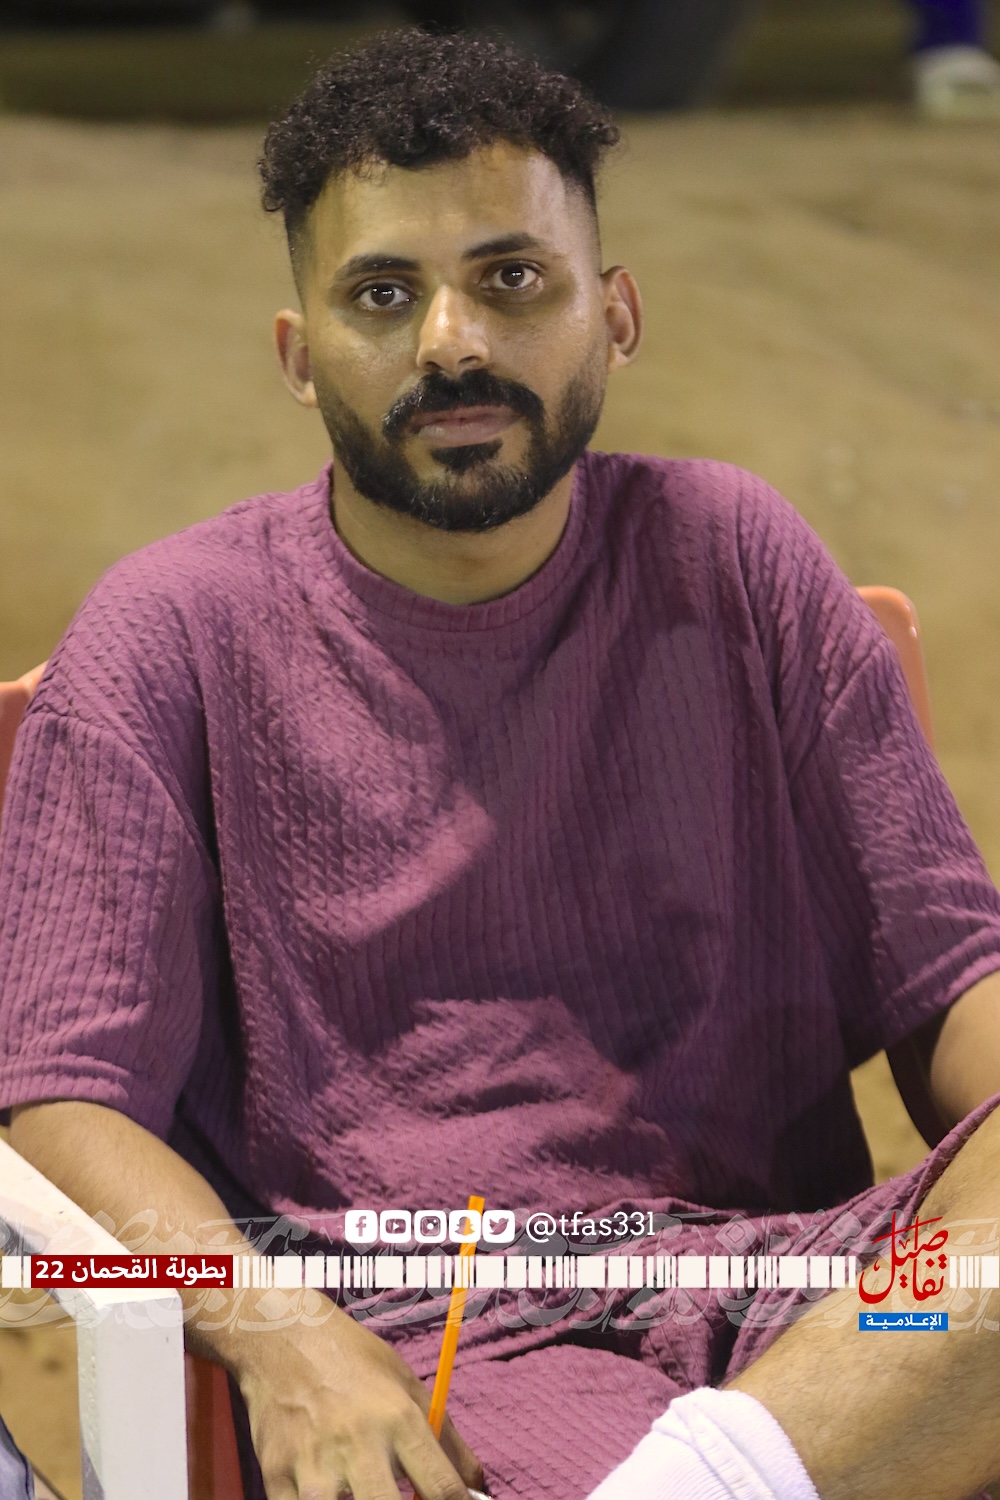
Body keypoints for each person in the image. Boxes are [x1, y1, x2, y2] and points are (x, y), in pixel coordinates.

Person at [1, 27, 999, 1500]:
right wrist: (284, 1334)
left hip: (811, 1309)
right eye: (383, 294)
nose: (451, 342)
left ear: (616, 314)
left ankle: (711, 1479)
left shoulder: (740, 559)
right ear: (299, 355)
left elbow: (958, 984)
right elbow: (62, 1104)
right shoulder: (169, 637)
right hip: (429, 1346)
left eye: (512, 278)